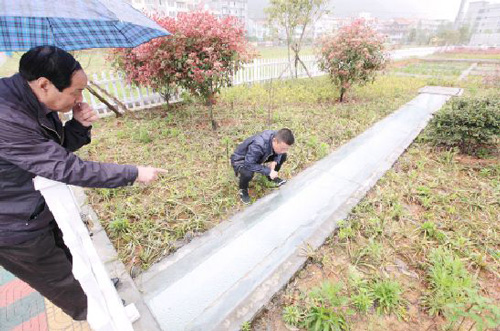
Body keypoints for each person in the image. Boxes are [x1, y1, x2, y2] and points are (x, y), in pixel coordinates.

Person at [0, 46, 166, 321]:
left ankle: (98, 292)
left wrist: (77, 126)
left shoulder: (32, 101)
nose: (79, 98)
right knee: (64, 286)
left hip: (35, 206)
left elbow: (51, 152)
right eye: (75, 92)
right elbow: (65, 167)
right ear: (44, 84)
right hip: (14, 227)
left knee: (71, 262)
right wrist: (133, 173)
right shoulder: (6, 118)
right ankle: (104, 317)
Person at [230, 128, 294, 204]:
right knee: (247, 173)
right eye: (282, 148)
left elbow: (280, 153)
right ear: (274, 141)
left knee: (283, 156)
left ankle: (271, 178)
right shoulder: (259, 145)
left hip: (258, 156)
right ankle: (243, 189)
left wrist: (275, 161)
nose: (283, 151)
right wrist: (268, 171)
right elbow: (249, 163)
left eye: (286, 149)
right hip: (241, 159)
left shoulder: (278, 136)